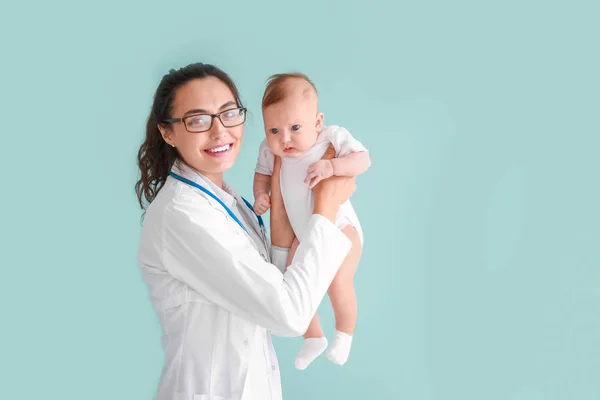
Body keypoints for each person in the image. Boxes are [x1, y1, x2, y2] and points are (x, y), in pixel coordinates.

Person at [135, 62, 356, 400]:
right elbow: (288, 314)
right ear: (167, 132)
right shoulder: (183, 215)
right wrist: (324, 209)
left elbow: (277, 283)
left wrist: (281, 205)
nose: (220, 131)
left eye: (229, 113)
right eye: (197, 120)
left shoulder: (228, 200)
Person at [252, 73, 370, 370]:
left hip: (341, 226)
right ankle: (313, 336)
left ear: (317, 122)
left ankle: (344, 334)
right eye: (274, 130)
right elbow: (262, 175)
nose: (284, 139)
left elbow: (363, 160)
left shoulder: (329, 137)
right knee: (291, 282)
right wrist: (260, 195)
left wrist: (332, 166)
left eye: (294, 128)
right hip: (303, 234)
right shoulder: (269, 150)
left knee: (337, 282)